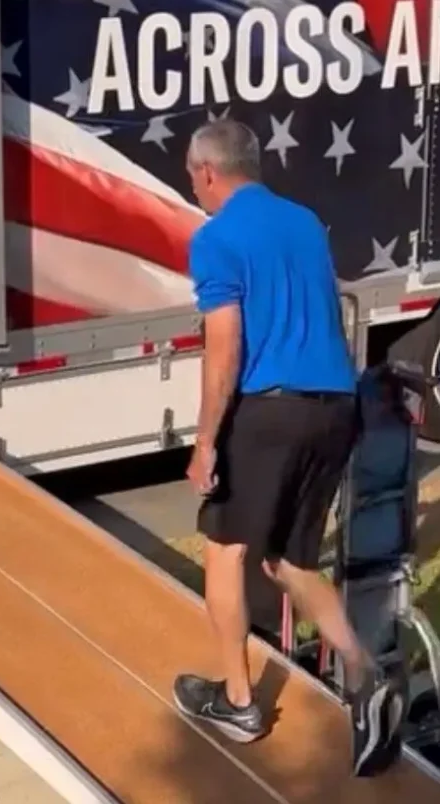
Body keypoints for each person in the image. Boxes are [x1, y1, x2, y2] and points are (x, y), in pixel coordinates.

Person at [171, 119, 404, 777]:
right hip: (335, 409)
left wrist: (206, 442)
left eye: (192, 177)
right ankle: (364, 673)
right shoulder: (304, 223)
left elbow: (224, 352)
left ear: (208, 172)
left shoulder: (216, 238)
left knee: (225, 550)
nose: (193, 189)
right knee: (288, 560)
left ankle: (238, 703)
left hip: (269, 413)